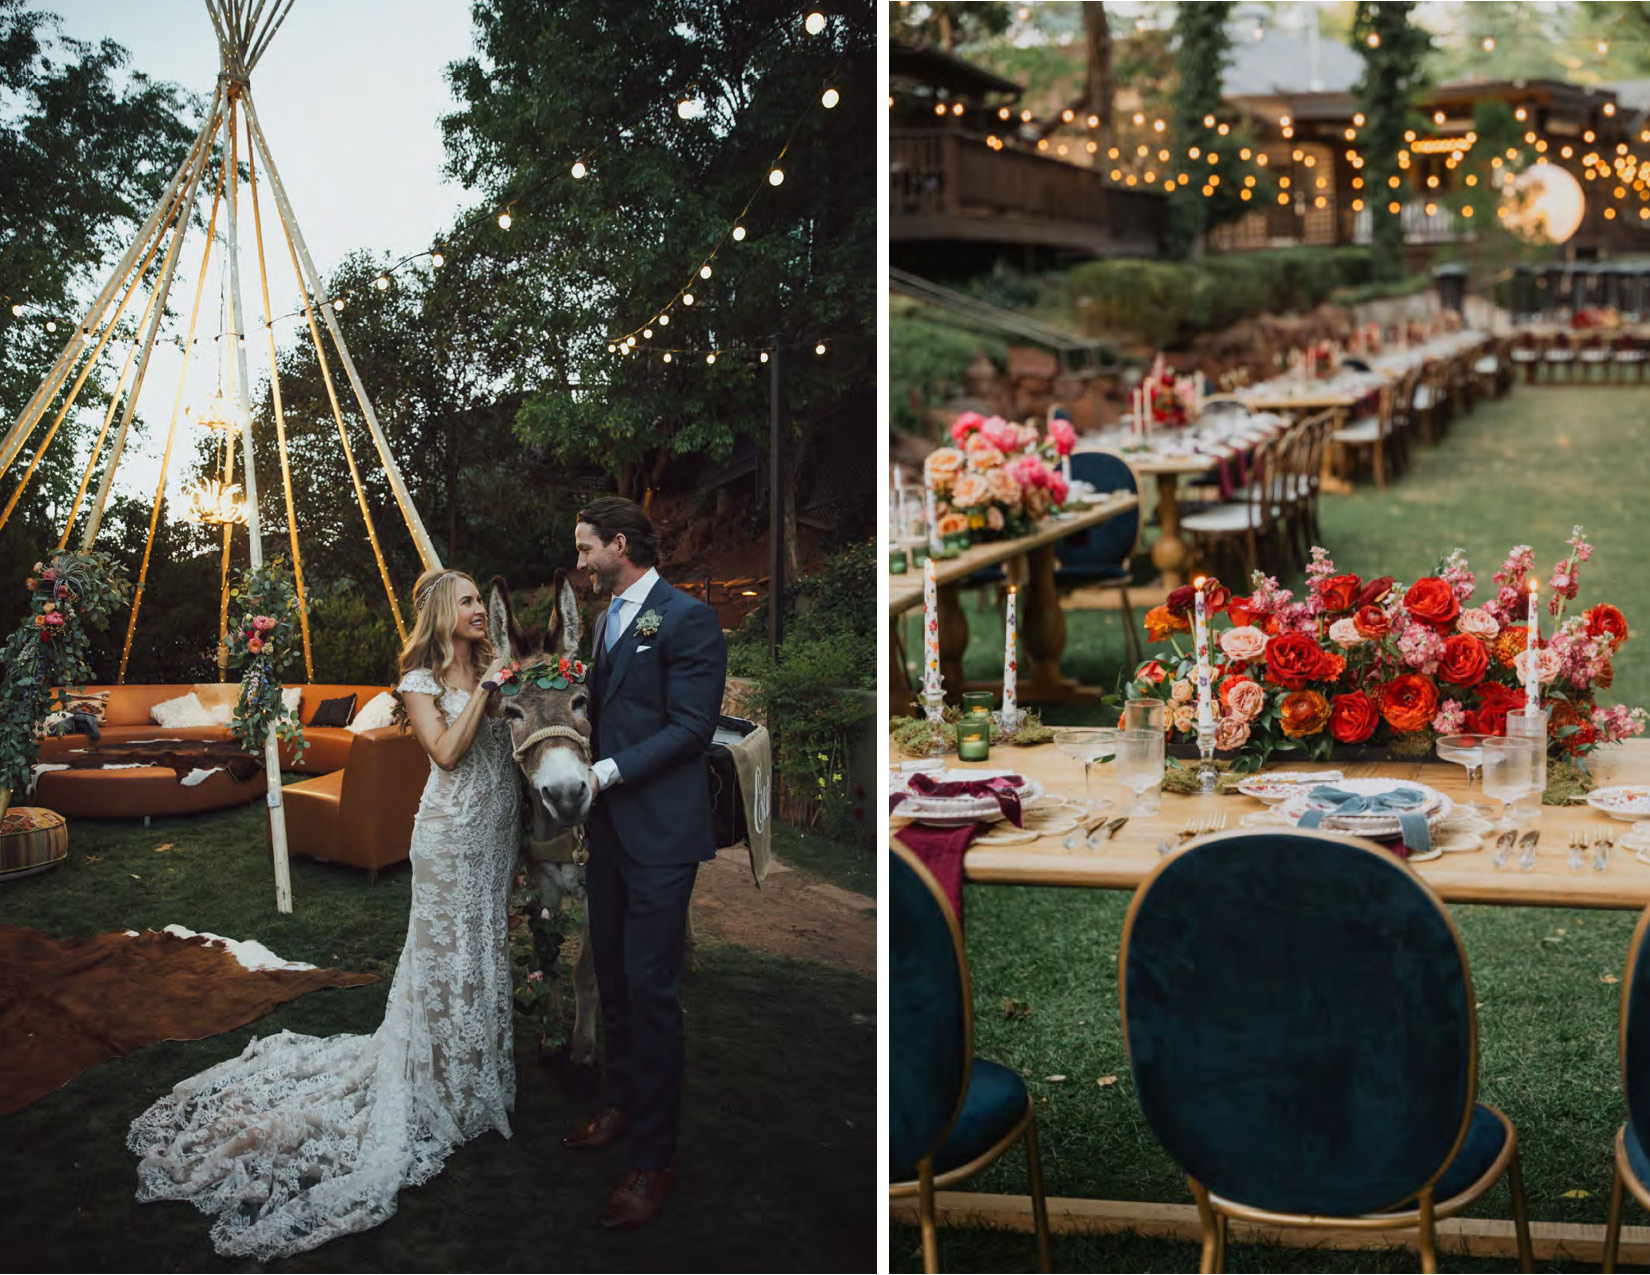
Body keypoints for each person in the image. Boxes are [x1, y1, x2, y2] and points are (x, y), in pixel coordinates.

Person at [127, 569, 517, 1260]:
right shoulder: (420, 680)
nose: (479, 609)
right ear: (440, 612)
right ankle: (438, 1083)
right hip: (452, 833)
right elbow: (447, 753)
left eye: (480, 600)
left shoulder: (493, 666)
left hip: (496, 829)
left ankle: (475, 1073)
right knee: (446, 952)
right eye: (467, 601)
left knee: (483, 945)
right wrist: (486, 691)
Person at [564, 496, 727, 1229]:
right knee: (615, 979)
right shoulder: (605, 621)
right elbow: (607, 711)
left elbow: (692, 728)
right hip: (609, 835)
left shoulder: (688, 618)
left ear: (619, 544)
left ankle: (655, 1160)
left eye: (585, 547)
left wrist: (606, 771)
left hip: (661, 837)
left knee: (653, 993)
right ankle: (621, 1104)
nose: (580, 561)